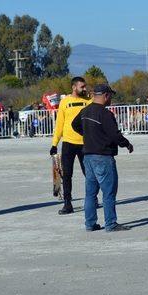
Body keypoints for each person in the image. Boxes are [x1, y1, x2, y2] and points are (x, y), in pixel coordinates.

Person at [72, 83, 133, 232]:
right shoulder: (105, 114)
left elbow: (74, 125)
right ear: (106, 96)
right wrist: (126, 144)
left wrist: (88, 135)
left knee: (90, 193)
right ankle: (111, 223)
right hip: (103, 156)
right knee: (109, 191)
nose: (111, 99)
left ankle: (90, 223)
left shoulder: (84, 111)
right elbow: (114, 135)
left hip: (88, 156)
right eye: (110, 96)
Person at [49, 77, 91, 215]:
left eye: (85, 86)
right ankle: (67, 204)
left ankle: (92, 199)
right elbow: (59, 124)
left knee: (89, 174)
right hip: (68, 143)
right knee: (67, 175)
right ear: (74, 87)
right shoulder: (65, 102)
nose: (85, 89)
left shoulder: (89, 101)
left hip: (86, 144)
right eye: (82, 86)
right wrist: (54, 144)